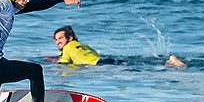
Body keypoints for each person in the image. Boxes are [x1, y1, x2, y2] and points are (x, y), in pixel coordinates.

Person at [50, 25, 187, 68]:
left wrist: (52, 62)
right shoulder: (82, 45)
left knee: (140, 70)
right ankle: (168, 62)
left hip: (101, 65)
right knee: (138, 65)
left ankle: (168, 64)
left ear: (70, 38)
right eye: (56, 40)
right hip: (107, 61)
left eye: (60, 38)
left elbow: (63, 65)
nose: (58, 42)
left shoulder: (67, 48)